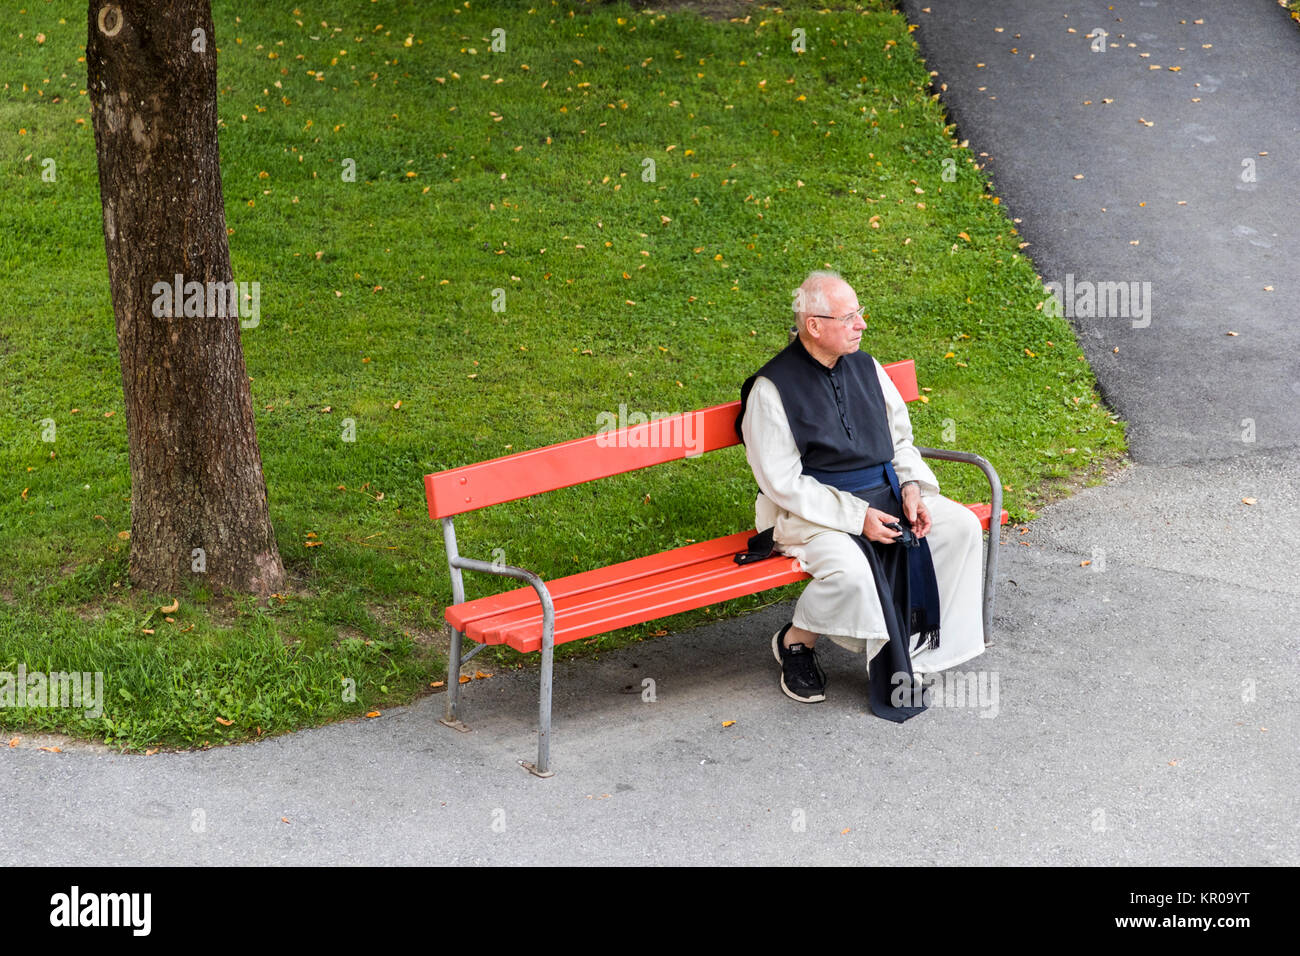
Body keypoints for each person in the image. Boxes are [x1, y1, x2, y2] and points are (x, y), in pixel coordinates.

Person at [736, 270, 985, 721]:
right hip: (811, 514)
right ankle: (795, 641)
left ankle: (915, 653)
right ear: (814, 325)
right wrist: (857, 517)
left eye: (860, 314)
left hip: (886, 492)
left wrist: (910, 487)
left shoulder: (868, 368)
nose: (861, 325)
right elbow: (783, 483)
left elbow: (901, 441)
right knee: (852, 574)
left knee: (959, 527)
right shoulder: (770, 390)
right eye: (850, 317)